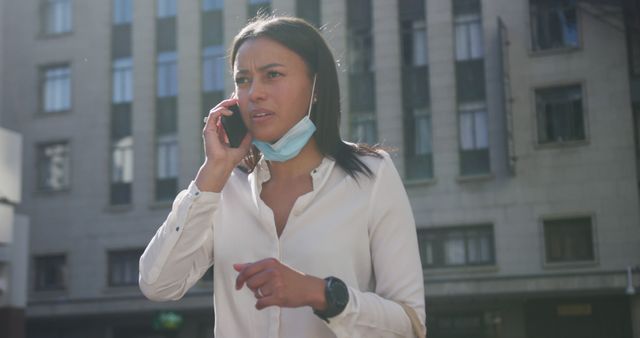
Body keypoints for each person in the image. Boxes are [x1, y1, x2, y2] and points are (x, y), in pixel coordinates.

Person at [139, 16, 426, 338]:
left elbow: (410, 326)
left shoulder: (373, 175)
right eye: (243, 80)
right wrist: (212, 174)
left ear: (315, 87)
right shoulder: (221, 188)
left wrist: (321, 293)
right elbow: (158, 284)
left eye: (272, 75)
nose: (254, 93)